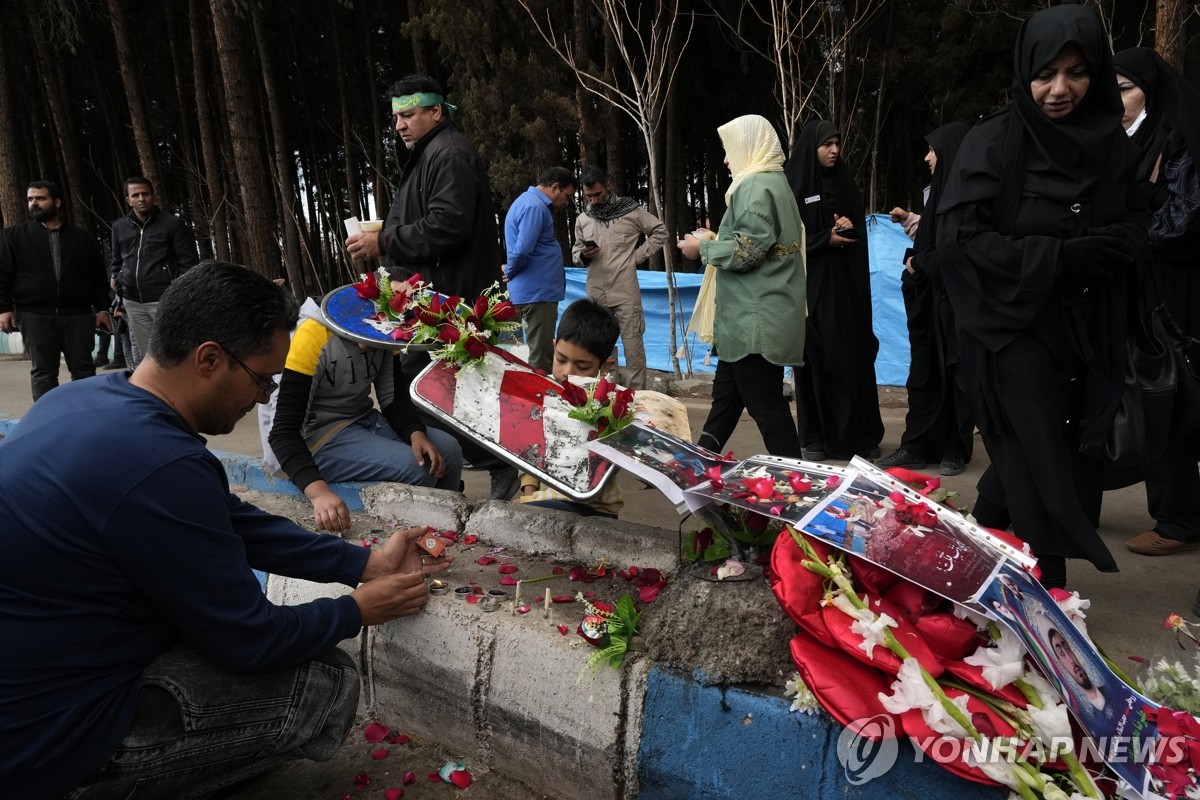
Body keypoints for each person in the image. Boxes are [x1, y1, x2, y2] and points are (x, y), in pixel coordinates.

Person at [0, 261, 454, 798]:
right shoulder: (159, 462)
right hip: (42, 743)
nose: (262, 399)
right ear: (210, 359)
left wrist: (362, 563)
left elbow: (227, 519)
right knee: (322, 685)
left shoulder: (82, 399)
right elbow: (248, 641)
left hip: (30, 683)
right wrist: (357, 609)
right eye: (263, 379)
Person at [936, 4, 1146, 589]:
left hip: (1084, 333)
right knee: (1037, 457)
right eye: (1044, 74)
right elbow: (961, 241)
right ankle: (1045, 595)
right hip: (1010, 330)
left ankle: (953, 565)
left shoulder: (1109, 143)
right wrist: (1059, 255)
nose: (1059, 90)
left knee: (1043, 454)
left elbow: (1135, 217)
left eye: (1076, 73)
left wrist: (1120, 242)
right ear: (1023, 72)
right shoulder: (994, 142)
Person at [344, 73, 515, 499]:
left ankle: (498, 464)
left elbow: (448, 224)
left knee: (423, 394)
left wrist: (383, 240)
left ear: (435, 111)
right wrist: (389, 228)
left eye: (409, 114)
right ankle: (452, 480)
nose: (400, 124)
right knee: (427, 391)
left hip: (449, 303)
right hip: (430, 299)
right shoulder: (429, 154)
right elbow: (430, 217)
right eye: (396, 117)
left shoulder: (450, 153)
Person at [1107, 48, 1200, 560]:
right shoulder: (1121, 138)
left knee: (1170, 396)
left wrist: (1129, 230)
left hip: (1175, 295)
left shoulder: (1175, 137)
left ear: (1152, 92)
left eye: (1123, 89)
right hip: (1138, 285)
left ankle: (1179, 518)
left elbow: (1183, 218)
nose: (1113, 99)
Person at [268, 299, 463, 532]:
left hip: (362, 419)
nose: (378, 341)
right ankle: (420, 536)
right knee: (418, 467)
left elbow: (393, 398)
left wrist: (416, 434)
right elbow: (283, 432)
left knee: (448, 450)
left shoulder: (387, 333)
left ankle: (447, 531)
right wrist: (319, 494)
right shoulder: (313, 335)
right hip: (318, 437)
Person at [679, 114, 806, 458]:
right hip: (749, 321)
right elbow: (761, 242)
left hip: (755, 320)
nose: (725, 159)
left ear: (748, 146)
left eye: (729, 150)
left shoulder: (755, 187)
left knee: (766, 407)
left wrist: (701, 248)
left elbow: (747, 251)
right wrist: (716, 239)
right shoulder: (772, 182)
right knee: (726, 399)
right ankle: (700, 461)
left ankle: (796, 483)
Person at [876, 123, 975, 477]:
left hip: (953, 304)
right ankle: (915, 445)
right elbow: (935, 236)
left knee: (953, 375)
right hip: (928, 301)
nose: (927, 157)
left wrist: (920, 261)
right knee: (922, 374)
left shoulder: (965, 197)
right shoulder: (939, 193)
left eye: (933, 150)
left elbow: (960, 249)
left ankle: (954, 448)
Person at [785, 120, 884, 461]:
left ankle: (857, 437)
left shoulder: (844, 182)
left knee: (850, 357)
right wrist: (823, 238)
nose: (834, 150)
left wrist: (846, 229)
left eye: (837, 143)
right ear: (811, 148)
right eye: (827, 144)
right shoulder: (793, 186)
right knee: (816, 358)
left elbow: (856, 230)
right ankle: (816, 439)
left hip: (845, 287)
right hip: (811, 289)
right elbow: (785, 241)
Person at [0, 180, 111, 400]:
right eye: (31, 199)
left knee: (84, 371)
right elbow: (3, 275)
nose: (34, 203)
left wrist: (102, 309)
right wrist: (3, 308)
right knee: (43, 372)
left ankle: (88, 418)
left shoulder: (83, 239)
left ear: (57, 202)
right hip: (34, 314)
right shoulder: (12, 236)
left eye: (41, 198)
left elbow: (98, 278)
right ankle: (47, 422)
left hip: (77, 314)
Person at [519, 298, 625, 517]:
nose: (567, 372)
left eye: (582, 366)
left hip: (593, 507)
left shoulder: (612, 405)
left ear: (605, 365)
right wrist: (528, 495)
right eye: (561, 359)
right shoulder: (541, 392)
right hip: (543, 500)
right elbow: (527, 449)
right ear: (554, 346)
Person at [571, 165, 669, 389]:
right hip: (596, 291)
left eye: (598, 194)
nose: (594, 200)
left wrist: (636, 256)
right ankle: (603, 393)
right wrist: (583, 254)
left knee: (633, 346)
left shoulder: (631, 211)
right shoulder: (583, 219)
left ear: (608, 185)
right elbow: (575, 252)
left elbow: (660, 231)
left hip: (625, 290)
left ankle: (636, 400)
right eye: (589, 196)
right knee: (598, 345)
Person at [109, 176, 199, 367]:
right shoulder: (119, 226)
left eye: (145, 194)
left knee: (174, 353)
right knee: (149, 358)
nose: (141, 198)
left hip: (164, 301)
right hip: (133, 302)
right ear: (128, 200)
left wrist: (177, 293)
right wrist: (116, 276)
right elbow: (117, 260)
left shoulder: (172, 225)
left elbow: (188, 263)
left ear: (153, 196)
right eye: (136, 195)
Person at [503, 166, 575, 372]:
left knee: (540, 352)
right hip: (537, 293)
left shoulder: (528, 202)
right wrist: (510, 269)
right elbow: (523, 248)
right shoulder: (535, 206)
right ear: (555, 187)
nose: (566, 202)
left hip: (535, 291)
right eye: (567, 196)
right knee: (541, 358)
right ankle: (539, 400)